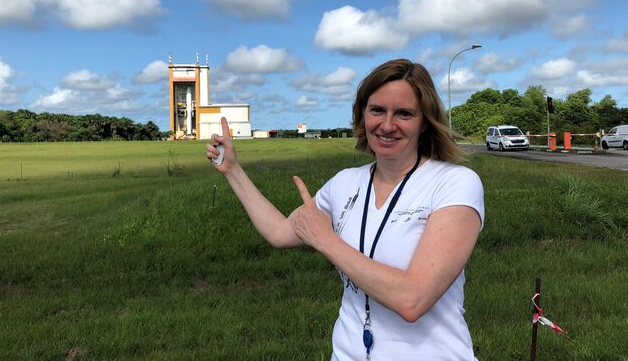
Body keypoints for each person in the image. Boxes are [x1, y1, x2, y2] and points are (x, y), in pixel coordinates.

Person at [206, 59, 484, 360]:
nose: (387, 125)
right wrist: (233, 170)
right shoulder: (344, 184)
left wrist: (325, 240)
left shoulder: (454, 184)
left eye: (404, 113)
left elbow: (413, 300)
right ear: (362, 113)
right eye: (377, 110)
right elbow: (278, 232)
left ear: (425, 121)